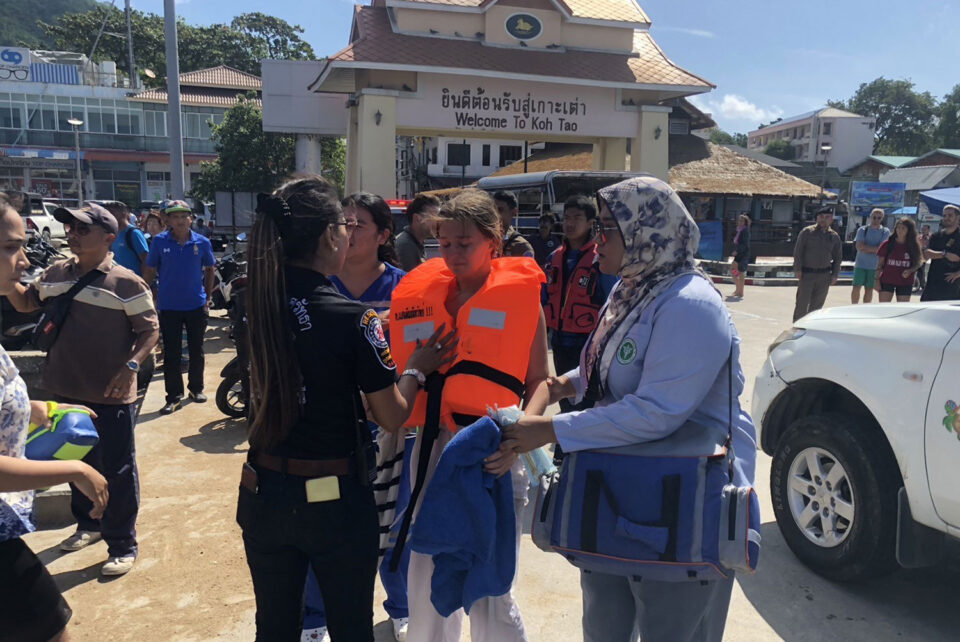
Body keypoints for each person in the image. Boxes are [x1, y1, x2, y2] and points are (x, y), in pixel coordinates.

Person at [500, 176, 757, 642]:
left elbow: (657, 411)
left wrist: (551, 429)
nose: (595, 242)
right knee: (604, 619)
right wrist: (560, 385)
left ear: (647, 231)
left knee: (672, 625)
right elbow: (613, 370)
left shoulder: (691, 305)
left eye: (606, 230)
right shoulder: (632, 290)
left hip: (685, 495)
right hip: (621, 483)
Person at [236, 176, 454, 641]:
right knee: (352, 627)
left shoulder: (256, 300)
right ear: (328, 236)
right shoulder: (356, 320)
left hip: (263, 491)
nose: (348, 233)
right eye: (343, 224)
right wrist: (414, 370)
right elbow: (392, 415)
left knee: (273, 626)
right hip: (333, 500)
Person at [390, 188, 549, 642]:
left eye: (466, 244)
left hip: (494, 449)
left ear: (494, 243)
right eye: (446, 244)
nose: (454, 254)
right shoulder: (426, 296)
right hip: (436, 447)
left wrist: (518, 435)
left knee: (488, 581)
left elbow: (541, 380)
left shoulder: (522, 299)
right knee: (427, 570)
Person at [6, 202, 159, 577]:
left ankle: (122, 542)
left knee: (117, 470)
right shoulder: (57, 273)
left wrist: (131, 366)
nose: (72, 234)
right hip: (65, 389)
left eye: (82, 229)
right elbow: (28, 302)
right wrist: (10, 286)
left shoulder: (127, 282)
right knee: (72, 460)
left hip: (110, 394)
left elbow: (150, 330)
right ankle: (88, 525)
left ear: (109, 239)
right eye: (70, 228)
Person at [301, 192, 412, 642]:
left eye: (358, 223)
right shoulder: (312, 285)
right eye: (341, 222)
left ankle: (401, 606)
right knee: (320, 521)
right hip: (329, 429)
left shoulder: (409, 289)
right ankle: (314, 617)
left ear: (384, 235)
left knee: (395, 519)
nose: (346, 230)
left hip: (392, 425)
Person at [0, 194, 109, 641]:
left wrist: (42, 409)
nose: (24, 258)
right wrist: (76, 468)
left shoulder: (123, 281)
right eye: (10, 246)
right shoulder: (54, 277)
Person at [543, 195, 616, 415]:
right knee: (564, 397)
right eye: (566, 218)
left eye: (577, 217)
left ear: (591, 223)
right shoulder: (555, 257)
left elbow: (612, 300)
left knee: (587, 401)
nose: (570, 223)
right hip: (559, 341)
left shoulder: (600, 258)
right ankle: (563, 446)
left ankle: (575, 444)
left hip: (588, 343)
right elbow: (544, 298)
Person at [143, 200, 216, 415]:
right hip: (169, 306)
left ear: (191, 219)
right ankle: (173, 397)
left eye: (184, 216)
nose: (181, 220)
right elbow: (150, 269)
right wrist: (143, 293)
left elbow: (210, 269)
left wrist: (207, 298)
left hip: (196, 305)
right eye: (175, 217)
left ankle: (196, 389)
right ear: (168, 220)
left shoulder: (202, 242)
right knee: (172, 353)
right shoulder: (159, 242)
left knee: (197, 350)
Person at [793, 207, 842, 322]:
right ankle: (797, 329)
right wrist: (797, 269)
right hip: (807, 274)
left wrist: (835, 274)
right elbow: (798, 252)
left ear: (831, 219)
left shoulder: (834, 236)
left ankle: (811, 329)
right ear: (817, 218)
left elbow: (838, 257)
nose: (823, 220)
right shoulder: (807, 232)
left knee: (817, 308)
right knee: (801, 305)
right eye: (821, 217)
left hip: (824, 276)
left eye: (827, 217)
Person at [874, 217, 923, 303]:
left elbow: (918, 262)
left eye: (903, 228)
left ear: (909, 230)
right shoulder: (888, 244)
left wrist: (910, 270)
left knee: (901, 308)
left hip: (905, 282)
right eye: (898, 228)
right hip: (887, 280)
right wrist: (876, 280)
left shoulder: (914, 245)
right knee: (883, 307)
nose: (900, 230)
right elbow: (879, 264)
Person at [850, 208, 890, 304]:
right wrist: (875, 249)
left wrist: (866, 248)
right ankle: (853, 307)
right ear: (870, 217)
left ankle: (865, 308)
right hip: (860, 264)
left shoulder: (885, 231)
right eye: (874, 217)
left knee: (869, 289)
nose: (876, 219)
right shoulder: (862, 230)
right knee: (856, 287)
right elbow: (859, 247)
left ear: (882, 218)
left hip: (875, 266)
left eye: (879, 218)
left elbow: (882, 249)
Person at [922, 204, 960, 301]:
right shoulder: (936, 236)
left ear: (958, 217)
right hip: (933, 285)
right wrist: (944, 254)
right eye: (944, 215)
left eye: (950, 215)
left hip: (953, 287)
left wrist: (958, 274)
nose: (946, 218)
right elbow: (926, 253)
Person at [103, 201, 149, 277]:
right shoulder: (112, 234)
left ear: (123, 213)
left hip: (134, 283)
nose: (110, 216)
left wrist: (143, 284)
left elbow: (146, 261)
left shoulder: (133, 233)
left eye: (112, 212)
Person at [396, 194, 440, 272]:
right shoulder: (405, 246)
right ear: (417, 218)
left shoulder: (415, 242)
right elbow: (409, 281)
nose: (438, 222)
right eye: (434, 218)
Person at [492, 190, 536, 258]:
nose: (495, 214)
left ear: (514, 212)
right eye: (493, 210)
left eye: (500, 210)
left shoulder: (521, 247)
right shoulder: (484, 241)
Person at [731, 214, 751, 298]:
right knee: (733, 270)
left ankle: (740, 291)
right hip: (740, 253)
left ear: (745, 222)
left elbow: (745, 244)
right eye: (739, 220)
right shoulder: (740, 230)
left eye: (742, 221)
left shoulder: (745, 231)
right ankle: (738, 288)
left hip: (743, 254)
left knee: (741, 272)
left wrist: (737, 251)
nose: (740, 222)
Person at [916, 223, 931, 292]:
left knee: (921, 271)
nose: (923, 230)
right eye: (922, 229)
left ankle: (922, 285)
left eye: (925, 229)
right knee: (918, 271)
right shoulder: (919, 237)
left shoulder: (931, 238)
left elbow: (930, 246)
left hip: (924, 257)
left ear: (928, 230)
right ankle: (919, 285)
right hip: (918, 256)